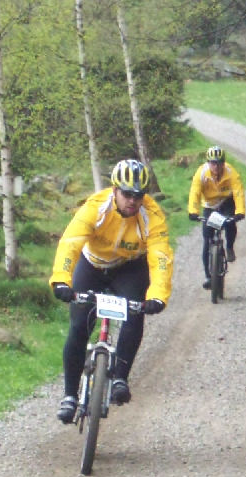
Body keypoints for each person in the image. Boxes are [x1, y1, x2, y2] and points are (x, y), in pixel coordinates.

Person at [49, 159, 174, 424]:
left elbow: (160, 256)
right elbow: (71, 243)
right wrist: (61, 280)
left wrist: (157, 296)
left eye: (139, 195)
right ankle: (70, 395)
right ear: (115, 190)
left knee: (134, 313)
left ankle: (120, 378)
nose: (132, 200)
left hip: (129, 267)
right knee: (79, 326)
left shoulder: (152, 215)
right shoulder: (96, 207)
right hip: (92, 265)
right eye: (127, 194)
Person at [187, 145, 246, 289]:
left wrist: (240, 211)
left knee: (230, 223)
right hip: (210, 206)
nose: (216, 166)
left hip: (227, 202)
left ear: (223, 163)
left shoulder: (231, 172)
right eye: (213, 163)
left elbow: (238, 192)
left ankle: (229, 247)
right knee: (207, 241)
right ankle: (208, 276)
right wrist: (193, 211)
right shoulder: (201, 173)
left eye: (219, 163)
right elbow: (194, 192)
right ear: (208, 163)